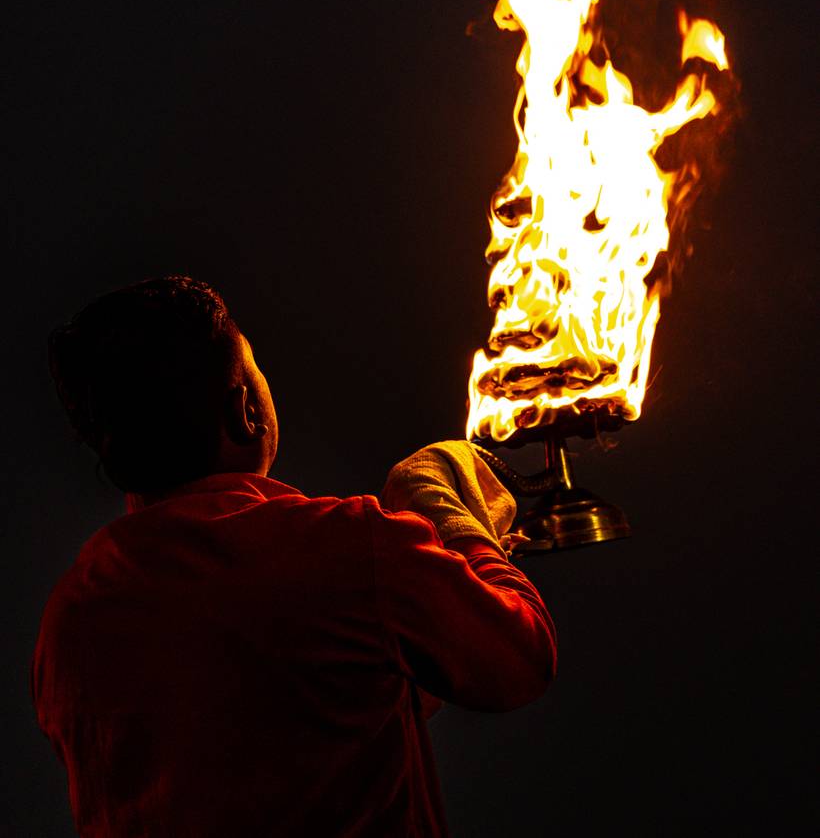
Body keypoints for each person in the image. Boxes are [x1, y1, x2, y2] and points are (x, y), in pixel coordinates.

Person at [33, 276, 556, 837]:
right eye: (256, 368)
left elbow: (310, 713)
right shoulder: (352, 545)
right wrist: (446, 512)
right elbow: (518, 660)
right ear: (245, 413)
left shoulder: (69, 619)